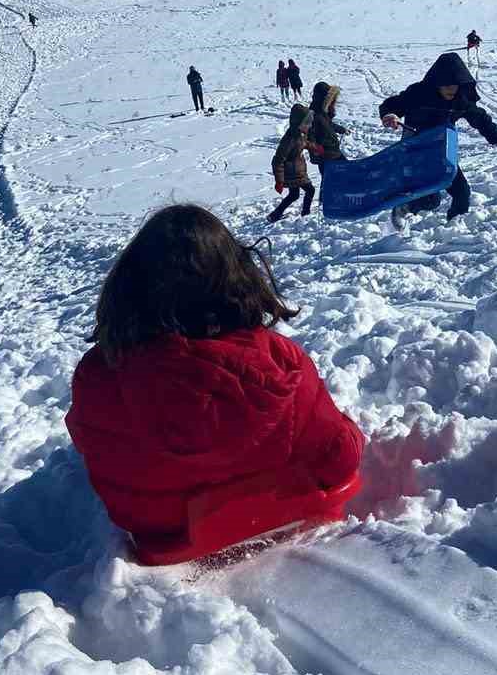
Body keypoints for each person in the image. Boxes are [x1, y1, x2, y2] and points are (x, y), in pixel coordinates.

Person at [65, 204, 364, 565]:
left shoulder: (100, 375)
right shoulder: (277, 358)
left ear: (129, 288)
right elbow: (339, 459)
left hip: (164, 528)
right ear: (236, 277)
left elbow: (93, 447)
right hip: (291, 511)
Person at [379, 51, 497, 226]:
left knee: (462, 193)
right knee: (431, 200)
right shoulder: (418, 93)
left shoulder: (460, 99)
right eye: (446, 85)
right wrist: (390, 115)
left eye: (455, 85)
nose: (451, 89)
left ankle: (455, 228)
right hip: (415, 151)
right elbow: (392, 105)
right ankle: (404, 208)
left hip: (441, 152)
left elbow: (480, 119)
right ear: (436, 83)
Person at [269, 103, 315, 220]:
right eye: (306, 123)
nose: (308, 125)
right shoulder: (289, 139)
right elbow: (278, 160)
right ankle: (305, 213)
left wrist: (314, 147)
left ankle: (275, 215)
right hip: (293, 172)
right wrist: (279, 181)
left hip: (297, 170)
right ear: (298, 122)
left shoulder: (299, 134)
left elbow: (304, 143)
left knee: (293, 195)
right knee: (310, 190)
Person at [307, 82, 349, 173]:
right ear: (323, 99)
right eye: (330, 99)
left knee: (344, 171)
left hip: (332, 151)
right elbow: (309, 135)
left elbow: (328, 125)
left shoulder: (322, 112)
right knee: (332, 177)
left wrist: (342, 129)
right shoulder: (313, 114)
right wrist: (316, 149)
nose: (332, 102)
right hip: (325, 154)